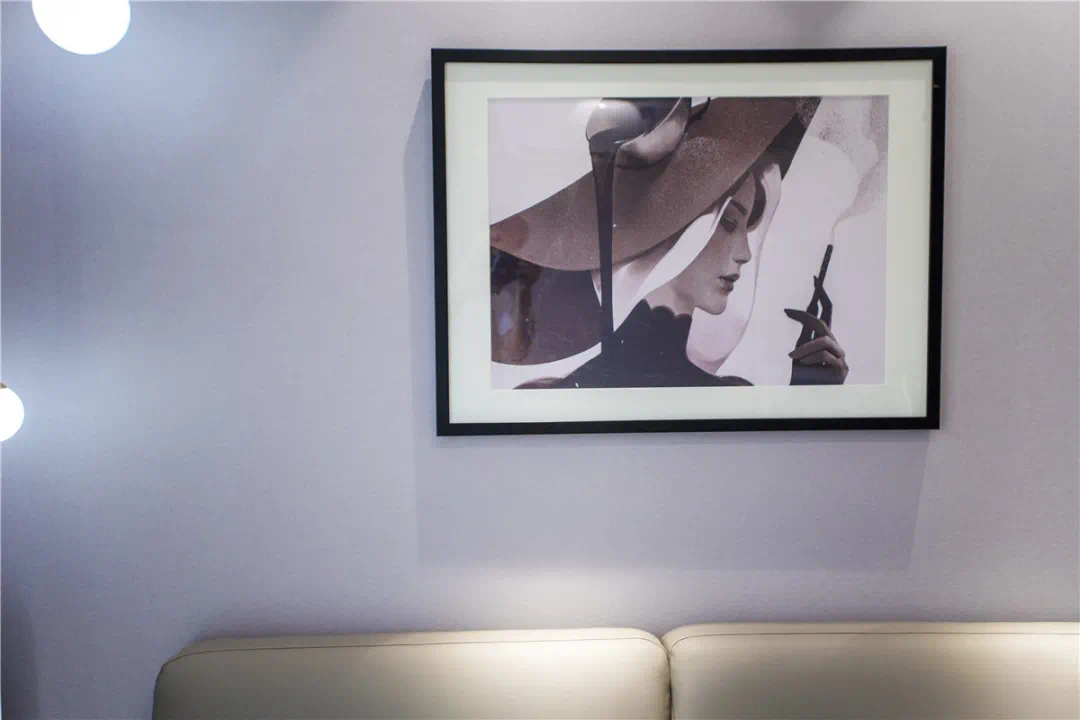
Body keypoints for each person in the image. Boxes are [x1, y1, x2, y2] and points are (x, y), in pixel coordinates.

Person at [489, 96, 848, 388]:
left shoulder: (734, 396)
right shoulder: (549, 397)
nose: (745, 253)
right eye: (728, 223)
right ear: (676, 228)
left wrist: (809, 398)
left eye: (745, 227)